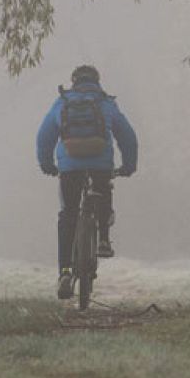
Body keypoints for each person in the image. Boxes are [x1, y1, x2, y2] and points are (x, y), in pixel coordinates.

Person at [36, 65, 137, 300]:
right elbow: (128, 136)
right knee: (103, 192)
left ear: (73, 82)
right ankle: (102, 238)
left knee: (68, 214)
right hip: (101, 165)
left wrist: (47, 165)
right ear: (97, 81)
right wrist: (129, 166)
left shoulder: (62, 102)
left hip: (69, 167)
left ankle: (65, 272)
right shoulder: (106, 103)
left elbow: (44, 136)